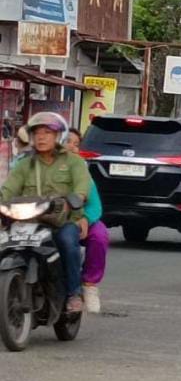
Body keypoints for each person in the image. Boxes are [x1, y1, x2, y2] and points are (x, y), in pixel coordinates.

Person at [1, 112, 90, 313]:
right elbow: (8, 189)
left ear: (58, 136)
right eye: (37, 133)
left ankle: (73, 294)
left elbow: (82, 185)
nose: (41, 137)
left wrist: (77, 197)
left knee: (68, 242)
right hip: (28, 221)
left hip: (61, 222)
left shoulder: (73, 162)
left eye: (47, 132)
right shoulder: (24, 165)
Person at [65, 129, 108, 313]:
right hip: (42, 218)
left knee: (99, 235)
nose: (72, 147)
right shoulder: (32, 164)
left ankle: (89, 284)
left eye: (76, 144)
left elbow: (94, 205)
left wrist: (85, 218)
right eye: (68, 142)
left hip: (75, 220)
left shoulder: (81, 170)